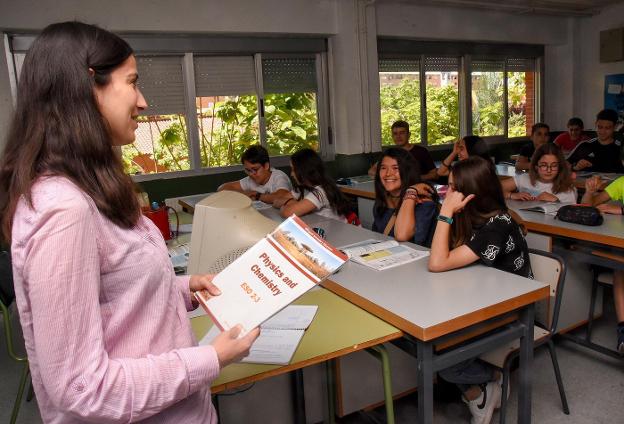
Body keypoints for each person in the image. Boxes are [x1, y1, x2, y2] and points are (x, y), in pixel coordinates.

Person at [0, 22, 259, 423]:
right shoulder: (64, 211)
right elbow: (81, 387)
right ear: (87, 88)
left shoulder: (85, 186)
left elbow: (107, 295)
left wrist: (182, 287)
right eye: (132, 82)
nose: (142, 101)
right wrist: (211, 358)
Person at [428, 156, 533, 424]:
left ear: (473, 192)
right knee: (435, 346)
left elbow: (438, 262)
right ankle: (488, 383)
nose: (448, 193)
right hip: (478, 297)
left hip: (510, 311)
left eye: (453, 188)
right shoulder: (473, 217)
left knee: (442, 356)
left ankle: (485, 385)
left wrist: (446, 212)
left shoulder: (497, 224)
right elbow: (442, 255)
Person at [581, 175, 624, 354]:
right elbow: (589, 206)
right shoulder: (621, 182)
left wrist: (621, 210)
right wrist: (589, 192)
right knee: (620, 267)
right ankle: (623, 331)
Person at [371, 148, 438, 247]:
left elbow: (402, 236)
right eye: (383, 168)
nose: (388, 173)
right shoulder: (383, 200)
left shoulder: (423, 202)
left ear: (408, 171)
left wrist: (411, 192)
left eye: (395, 168)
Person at [274, 148, 351, 221]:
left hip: (337, 230)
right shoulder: (303, 188)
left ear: (304, 171)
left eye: (294, 170)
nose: (291, 174)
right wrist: (293, 203)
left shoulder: (320, 192)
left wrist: (288, 203)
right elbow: (276, 201)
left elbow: (287, 213)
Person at [502, 143, 577, 203]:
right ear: (536, 166)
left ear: (560, 167)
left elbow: (573, 216)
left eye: (554, 166)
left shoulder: (568, 190)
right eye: (544, 165)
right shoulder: (525, 178)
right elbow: (493, 189)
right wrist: (511, 195)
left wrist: (556, 202)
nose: (549, 170)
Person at [218, 144, 292, 203]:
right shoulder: (251, 179)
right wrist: (246, 194)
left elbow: (283, 196)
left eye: (255, 169)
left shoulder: (278, 176)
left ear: (266, 166)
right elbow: (222, 188)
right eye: (248, 170)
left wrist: (257, 195)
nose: (251, 174)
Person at [368, 120, 438, 180]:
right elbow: (372, 171)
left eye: (402, 133)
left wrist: (415, 178)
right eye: (395, 134)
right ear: (392, 136)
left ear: (409, 135)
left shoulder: (421, 151)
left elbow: (434, 174)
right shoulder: (390, 153)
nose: (398, 136)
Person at [567, 109, 624, 173]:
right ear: (595, 124)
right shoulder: (585, 146)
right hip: (587, 182)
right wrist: (575, 167)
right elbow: (563, 166)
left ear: (615, 127)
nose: (602, 131)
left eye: (607, 128)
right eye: (599, 127)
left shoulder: (620, 147)